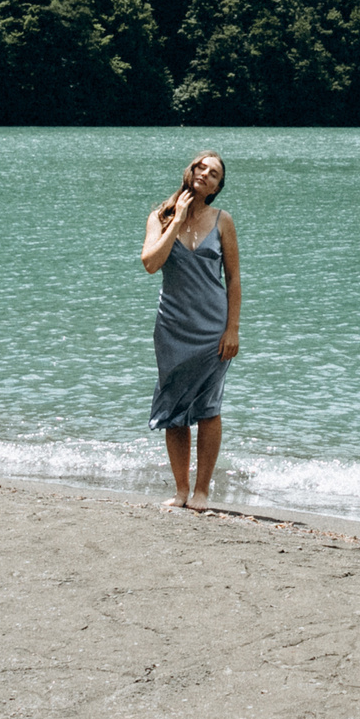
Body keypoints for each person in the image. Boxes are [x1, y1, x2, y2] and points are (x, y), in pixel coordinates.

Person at [139, 151, 241, 509]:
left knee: (208, 407)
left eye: (214, 174)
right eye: (202, 167)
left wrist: (232, 329)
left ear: (216, 187)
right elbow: (151, 263)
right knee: (174, 406)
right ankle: (181, 490)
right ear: (191, 171)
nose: (205, 174)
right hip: (172, 327)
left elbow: (233, 278)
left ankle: (201, 492)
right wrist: (178, 218)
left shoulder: (223, 221)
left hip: (213, 328)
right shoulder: (161, 216)